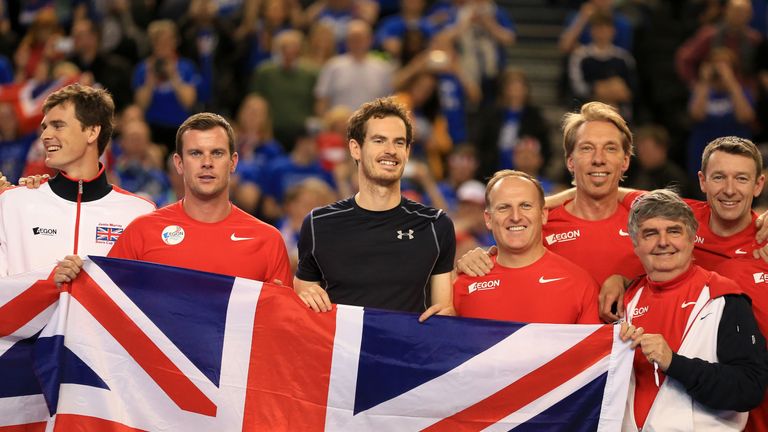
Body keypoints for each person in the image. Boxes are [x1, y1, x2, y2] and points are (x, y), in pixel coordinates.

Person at [54, 112, 292, 285]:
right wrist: (76, 278)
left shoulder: (267, 241)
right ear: (179, 163)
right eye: (196, 153)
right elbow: (106, 304)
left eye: (217, 153)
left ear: (233, 162)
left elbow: (280, 329)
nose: (207, 162)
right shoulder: (142, 232)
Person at [294, 97, 456, 321]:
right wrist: (299, 297)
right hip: (342, 354)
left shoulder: (436, 225)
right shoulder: (317, 224)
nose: (391, 150)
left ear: (408, 151)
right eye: (379, 140)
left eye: (399, 142)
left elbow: (444, 315)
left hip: (406, 354)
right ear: (355, 148)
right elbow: (302, 310)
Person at [620, 189, 767, 431]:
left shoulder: (724, 297)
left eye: (674, 231)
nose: (663, 242)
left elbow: (749, 388)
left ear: (692, 238)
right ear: (635, 244)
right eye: (650, 233)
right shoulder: (628, 298)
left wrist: (673, 362)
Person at [458, 102, 646, 287]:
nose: (598, 159)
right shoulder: (541, 223)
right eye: (587, 148)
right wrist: (476, 260)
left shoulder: (652, 220)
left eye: (610, 148)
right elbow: (505, 267)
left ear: (625, 161)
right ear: (570, 162)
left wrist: (626, 284)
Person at [0, 84, 155, 277]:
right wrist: (48, 283)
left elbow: (141, 296)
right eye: (45, 127)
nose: (45, 136)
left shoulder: (140, 213)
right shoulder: (13, 203)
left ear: (91, 132)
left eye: (57, 125)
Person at [453, 170, 600, 324]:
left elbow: (593, 347)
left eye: (525, 206)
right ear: (488, 219)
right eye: (504, 208)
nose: (515, 217)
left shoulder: (580, 284)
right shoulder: (462, 284)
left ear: (543, 215)